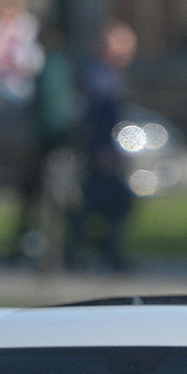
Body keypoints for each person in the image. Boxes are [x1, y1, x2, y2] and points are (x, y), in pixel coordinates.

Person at [3, 26, 81, 262]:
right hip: (62, 140)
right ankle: (65, 247)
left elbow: (44, 109)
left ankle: (28, 245)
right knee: (60, 198)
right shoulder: (64, 67)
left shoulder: (48, 68)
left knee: (34, 195)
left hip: (47, 140)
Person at [69, 21, 140, 271]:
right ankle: (91, 251)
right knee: (106, 201)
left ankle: (92, 249)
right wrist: (104, 149)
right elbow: (97, 116)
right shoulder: (98, 75)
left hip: (102, 148)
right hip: (97, 150)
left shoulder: (105, 74)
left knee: (104, 202)